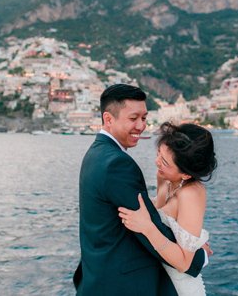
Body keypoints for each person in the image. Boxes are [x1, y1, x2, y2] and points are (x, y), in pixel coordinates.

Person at [73, 84, 206, 295]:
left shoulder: (97, 153)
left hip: (102, 275)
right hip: (122, 283)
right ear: (108, 119)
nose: (141, 126)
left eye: (144, 118)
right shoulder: (117, 164)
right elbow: (147, 224)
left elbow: (149, 217)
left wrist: (187, 244)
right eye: (133, 118)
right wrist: (196, 254)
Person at [119, 122, 217, 295]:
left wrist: (147, 228)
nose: (157, 162)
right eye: (159, 153)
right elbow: (160, 209)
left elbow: (184, 263)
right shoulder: (167, 178)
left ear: (186, 174)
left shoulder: (191, 194)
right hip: (160, 281)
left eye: (164, 162)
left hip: (181, 288)